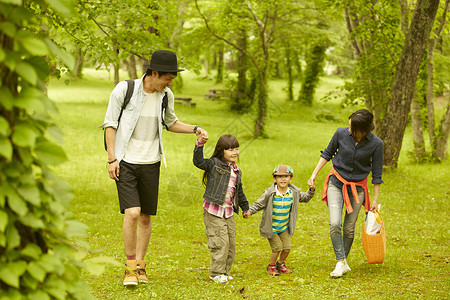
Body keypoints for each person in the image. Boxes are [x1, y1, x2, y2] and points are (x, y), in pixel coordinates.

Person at [101, 50, 208, 286]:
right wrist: (112, 159)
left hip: (151, 163)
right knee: (132, 212)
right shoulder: (124, 90)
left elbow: (171, 123)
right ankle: (130, 267)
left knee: (146, 218)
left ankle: (140, 266)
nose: (170, 83)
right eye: (168, 78)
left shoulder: (165, 95)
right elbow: (110, 124)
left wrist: (195, 129)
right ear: (154, 72)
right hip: (125, 161)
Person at [308, 109, 384, 277]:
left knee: (349, 229)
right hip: (336, 183)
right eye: (349, 126)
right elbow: (328, 153)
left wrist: (375, 199)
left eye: (352, 128)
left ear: (363, 130)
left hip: (357, 189)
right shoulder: (340, 133)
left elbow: (377, 174)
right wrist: (314, 174)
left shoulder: (376, 144)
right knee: (335, 224)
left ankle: (342, 262)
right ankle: (341, 261)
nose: (348, 130)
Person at [193, 134, 249, 283]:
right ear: (221, 151)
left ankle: (224, 271)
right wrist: (200, 144)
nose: (235, 152)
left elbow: (239, 191)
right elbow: (198, 161)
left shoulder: (237, 171)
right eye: (230, 149)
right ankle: (216, 273)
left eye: (236, 149)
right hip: (214, 212)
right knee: (220, 242)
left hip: (228, 212)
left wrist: (245, 207)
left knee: (230, 243)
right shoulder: (214, 164)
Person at [244, 164, 315, 276]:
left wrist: (311, 189)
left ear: (290, 179)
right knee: (277, 248)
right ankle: (271, 266)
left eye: (286, 176)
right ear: (274, 179)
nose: (282, 179)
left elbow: (306, 198)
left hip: (284, 227)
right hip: (271, 227)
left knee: (286, 248)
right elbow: (258, 204)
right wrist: (249, 212)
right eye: (279, 176)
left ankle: (280, 264)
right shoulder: (269, 193)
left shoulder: (293, 193)